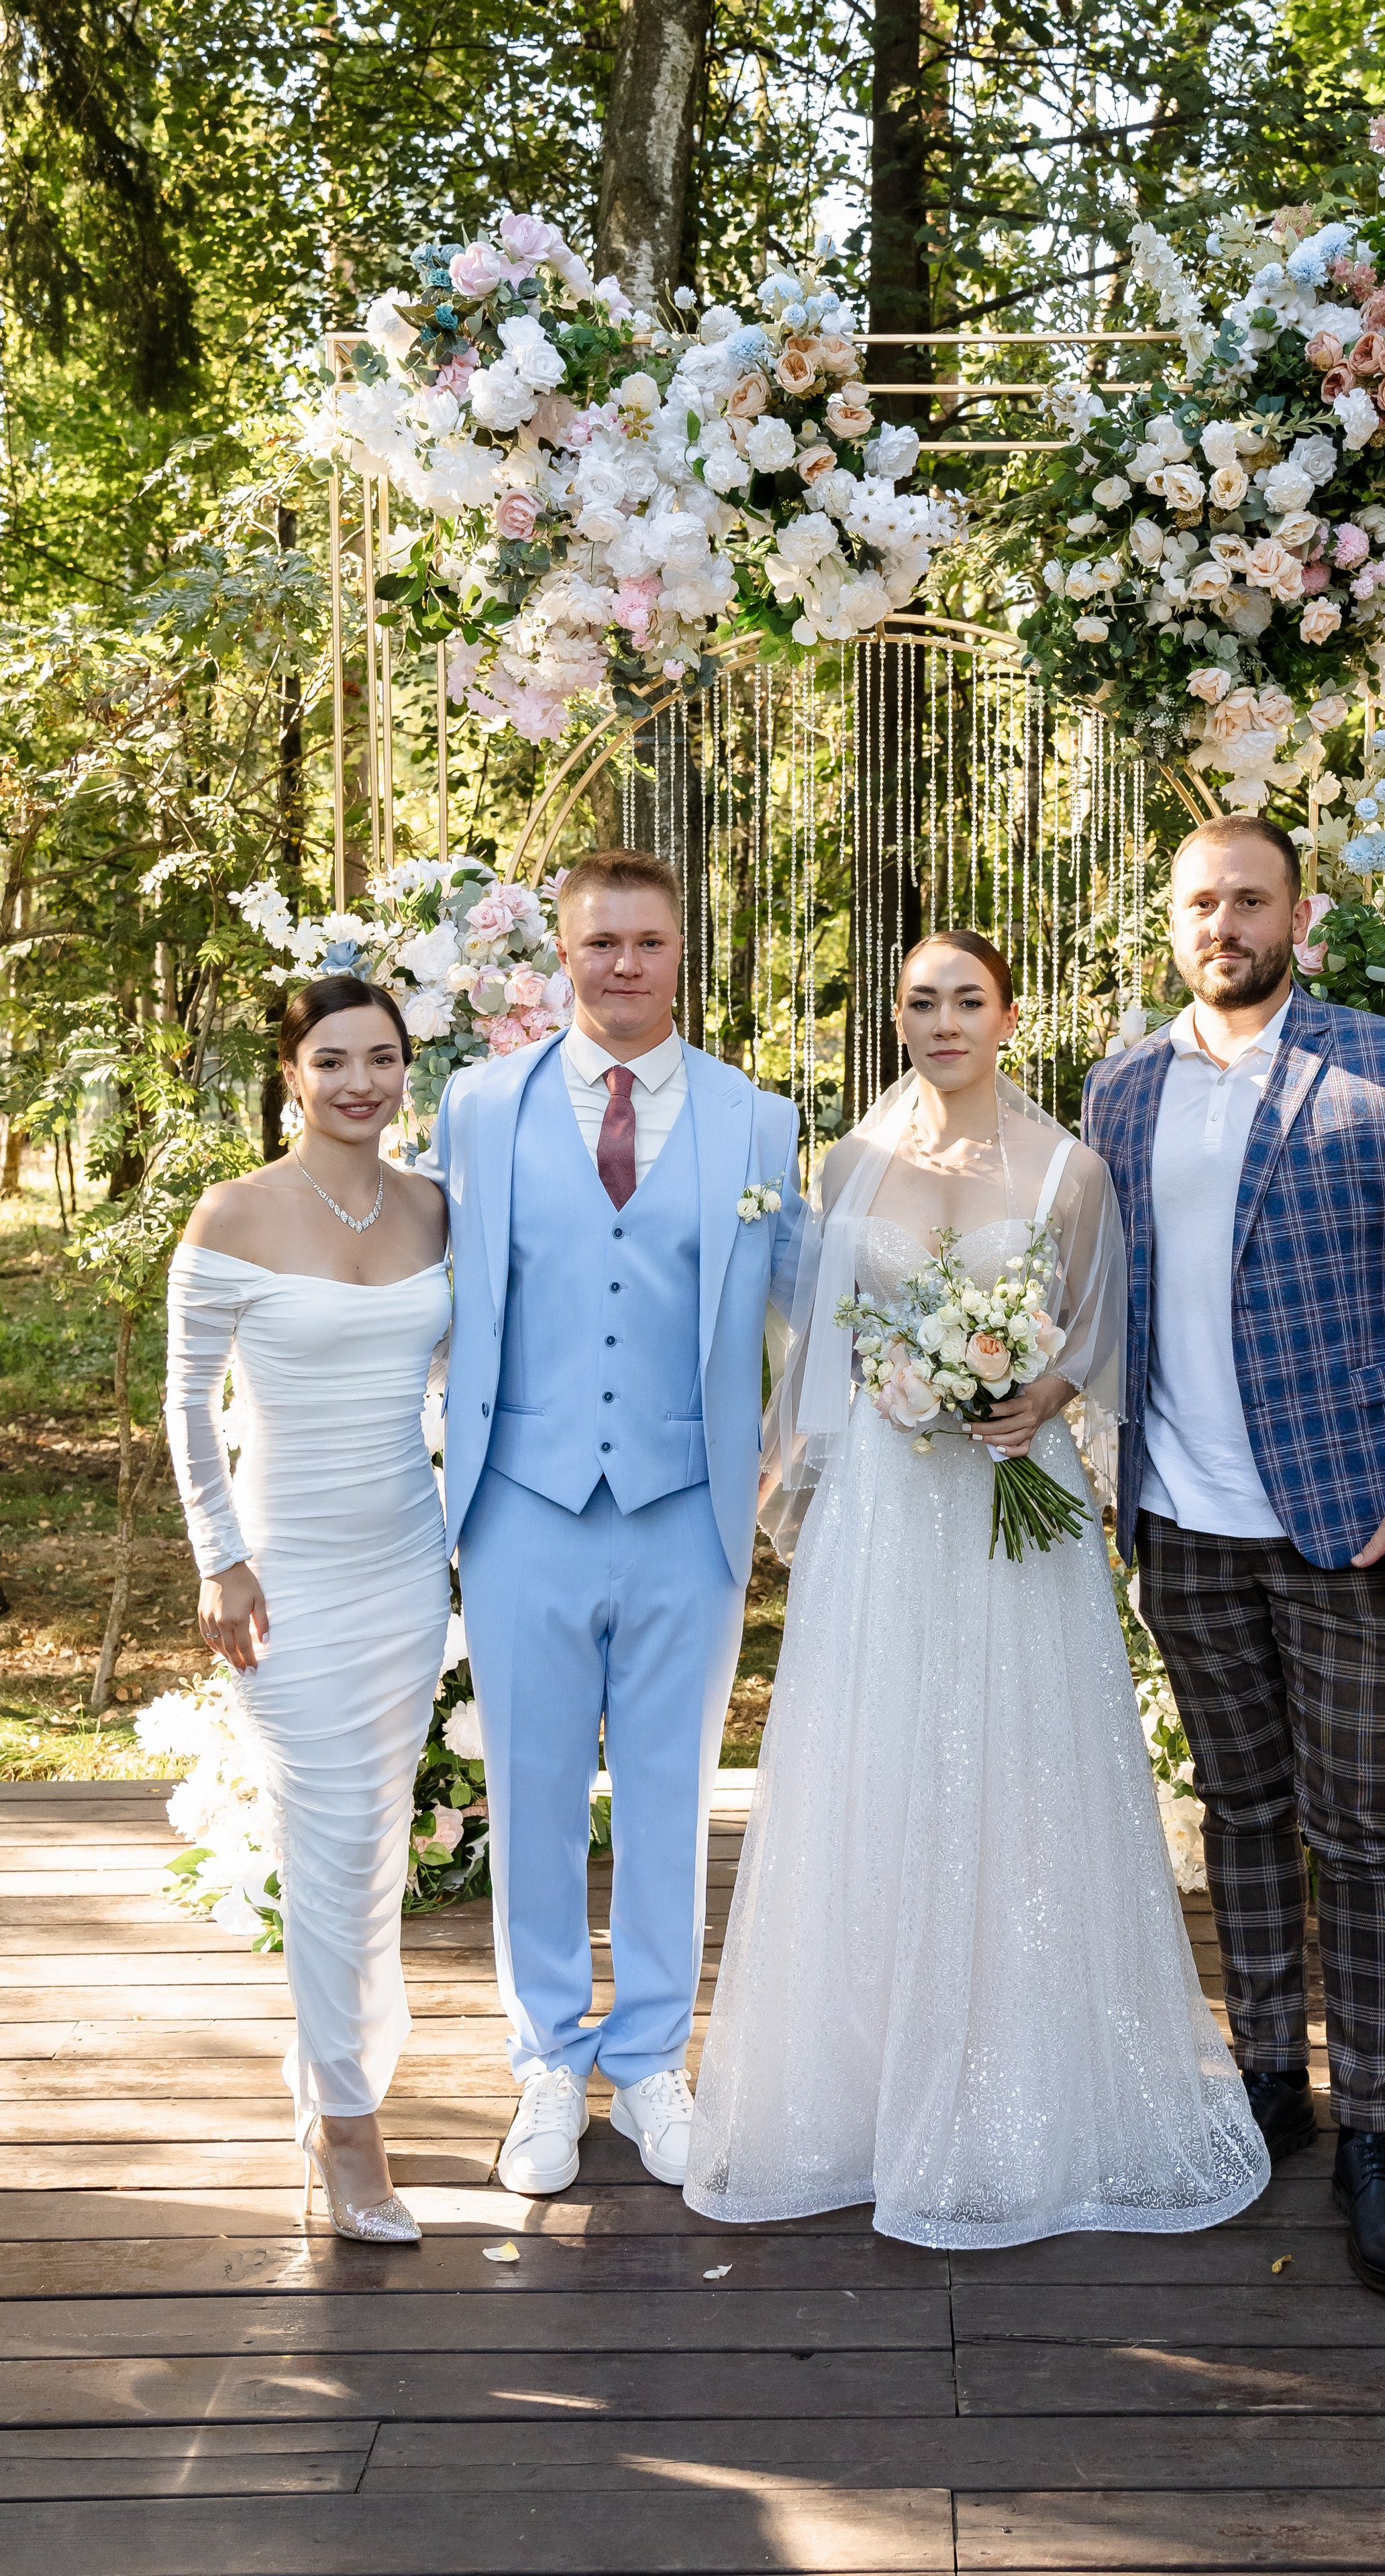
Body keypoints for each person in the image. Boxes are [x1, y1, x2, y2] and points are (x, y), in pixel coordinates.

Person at [684, 930, 1270, 2249]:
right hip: (888, 1508)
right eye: (919, 1003)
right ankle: (858, 2092)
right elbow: (820, 1339)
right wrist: (880, 1400)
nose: (942, 1022)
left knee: (1020, 1764)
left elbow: (1102, 1330)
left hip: (1015, 1502)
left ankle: (1024, 2080)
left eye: (967, 1000)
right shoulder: (848, 1164)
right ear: (897, 1020)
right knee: (878, 1761)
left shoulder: (1069, 1168)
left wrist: (1039, 1392)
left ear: (1008, 1015)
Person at [1083, 815, 1385, 2299]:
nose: (1226, 924)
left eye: (1250, 901)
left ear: (1297, 917)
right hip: (1181, 1524)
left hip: (1351, 1526)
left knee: (1368, 1833)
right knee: (1242, 1811)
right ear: (1173, 920)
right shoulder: (1122, 1088)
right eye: (1201, 903)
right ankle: (1269, 2081)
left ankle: (1375, 2137)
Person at [427, 848, 803, 2196]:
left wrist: (775, 1459)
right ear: (563, 956)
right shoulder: (478, 1108)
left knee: (669, 1793)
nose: (625, 964)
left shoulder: (758, 1121)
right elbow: (429, 1292)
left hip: (686, 1508)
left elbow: (809, 1311)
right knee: (530, 1791)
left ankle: (648, 2060)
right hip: (522, 1501)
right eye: (600, 942)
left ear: (680, 952)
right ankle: (544, 2061)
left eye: (648, 941)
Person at [166, 977, 451, 2244]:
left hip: (406, 1569)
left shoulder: (433, 1208)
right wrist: (220, 1560)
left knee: (376, 1851)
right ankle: (348, 2128)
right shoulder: (233, 1212)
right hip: (284, 1580)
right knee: (328, 1848)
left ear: (405, 1070)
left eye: (381, 1059)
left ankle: (337, 2081)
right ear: (292, 1074)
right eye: (332, 1060)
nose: (358, 1083)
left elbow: (464, 1373)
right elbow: (186, 1403)